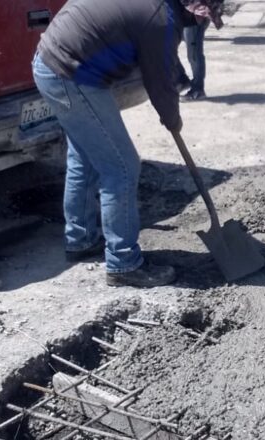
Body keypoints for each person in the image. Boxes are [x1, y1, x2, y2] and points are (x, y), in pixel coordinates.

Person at [32, 0, 224, 288]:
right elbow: (159, 81)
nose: (202, 25)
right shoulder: (161, 19)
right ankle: (123, 263)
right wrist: (172, 119)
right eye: (204, 19)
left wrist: (178, 80)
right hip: (70, 74)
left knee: (85, 158)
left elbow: (162, 58)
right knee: (121, 167)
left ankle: (81, 239)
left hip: (53, 62)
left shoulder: (159, 11)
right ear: (193, 11)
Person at [177, 18, 211, 101]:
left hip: (193, 17)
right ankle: (182, 79)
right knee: (169, 49)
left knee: (194, 55)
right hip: (184, 16)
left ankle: (198, 90)